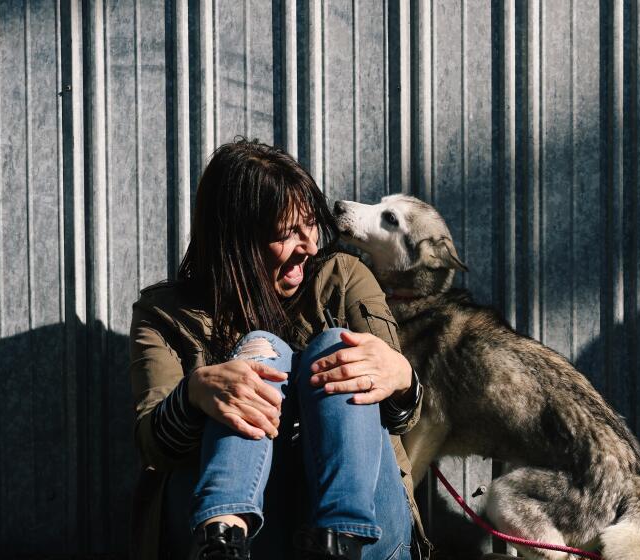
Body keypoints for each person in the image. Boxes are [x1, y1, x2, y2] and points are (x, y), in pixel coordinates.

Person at [128, 139, 430, 560]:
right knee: (260, 351)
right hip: (252, 537)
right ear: (236, 242)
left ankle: (340, 540)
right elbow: (151, 444)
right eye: (288, 233)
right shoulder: (166, 314)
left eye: (310, 224)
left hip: (370, 534)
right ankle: (224, 537)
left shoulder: (344, 279)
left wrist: (401, 378)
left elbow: (399, 420)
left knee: (333, 347)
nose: (309, 244)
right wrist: (195, 393)